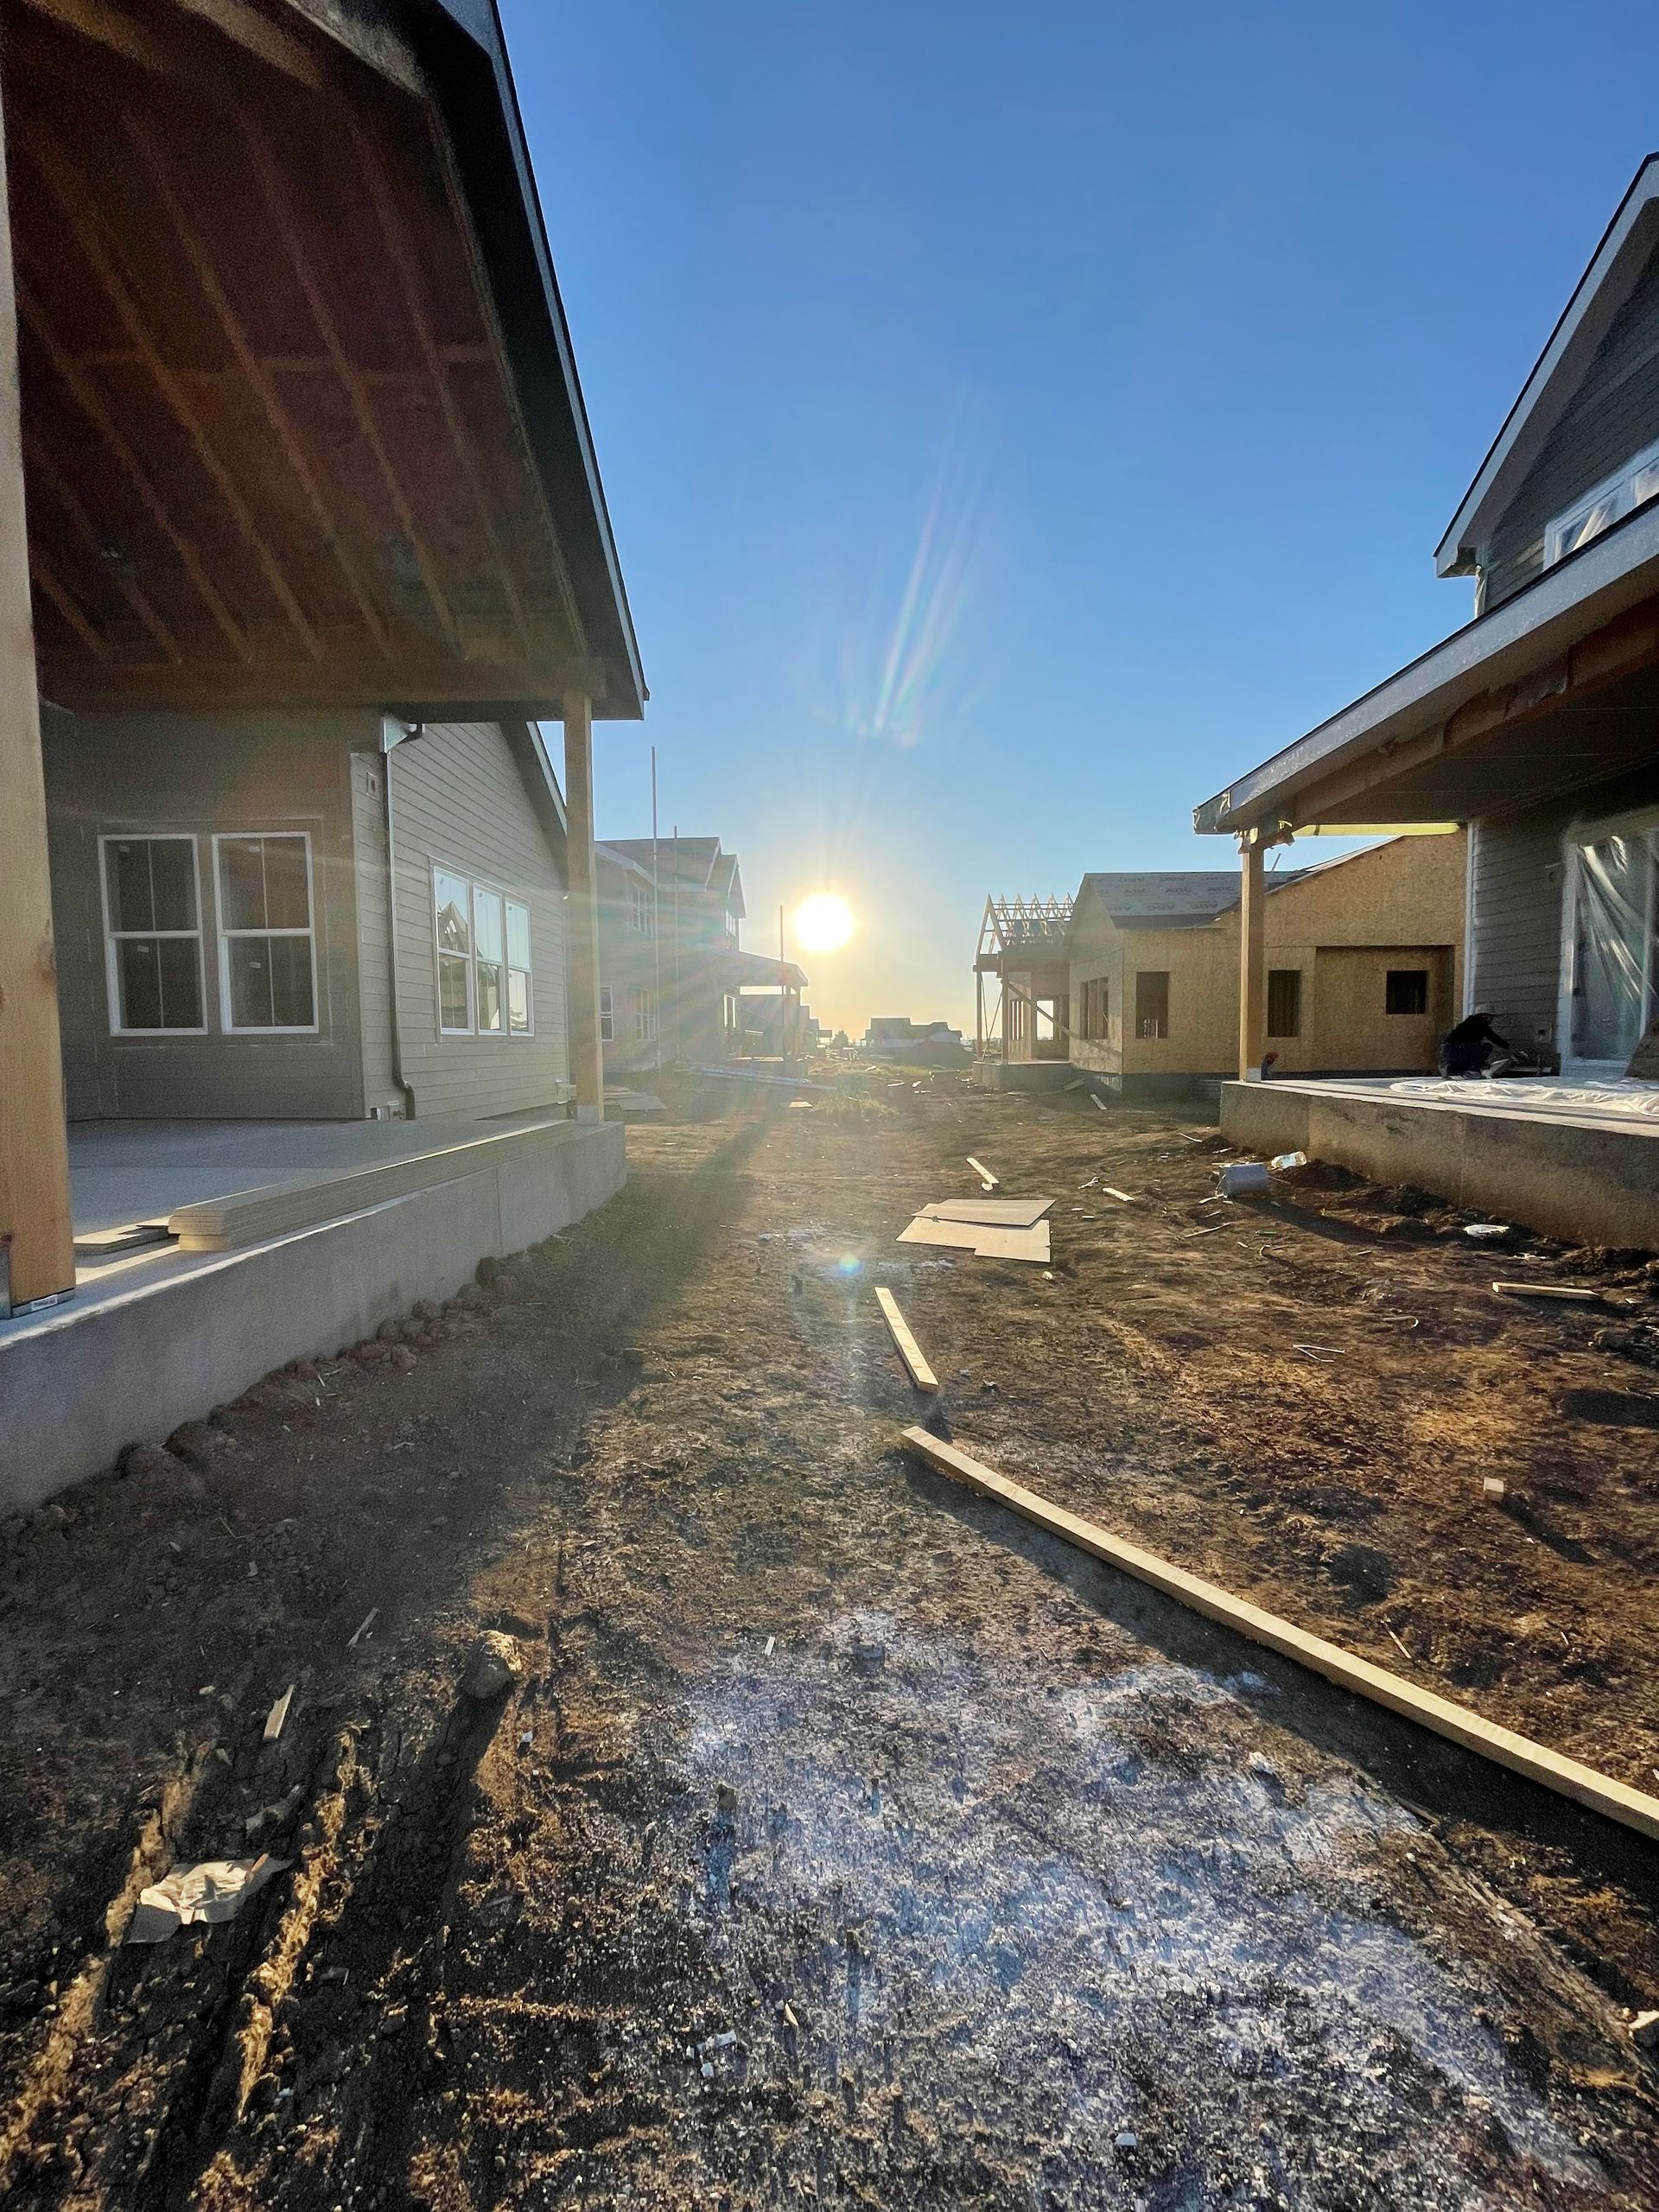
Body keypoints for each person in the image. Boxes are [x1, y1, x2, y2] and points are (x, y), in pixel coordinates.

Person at [1440, 1007, 1513, 1079]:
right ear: (1483, 1016)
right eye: (1490, 1017)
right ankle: (1472, 1070)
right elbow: (1494, 1038)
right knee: (1486, 1047)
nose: (1491, 1020)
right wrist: (1509, 1048)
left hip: (1448, 1050)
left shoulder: (1469, 1023)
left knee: (1473, 1051)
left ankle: (1453, 1070)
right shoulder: (1480, 1024)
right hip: (1456, 1049)